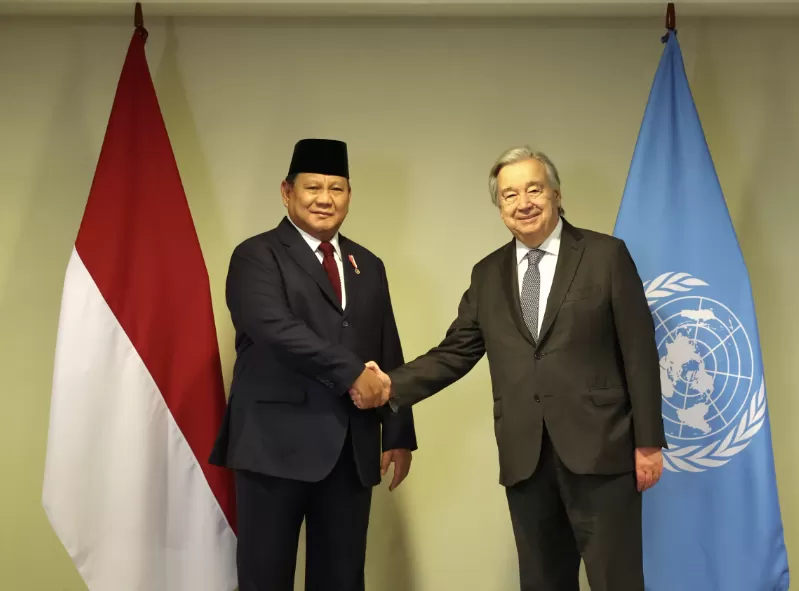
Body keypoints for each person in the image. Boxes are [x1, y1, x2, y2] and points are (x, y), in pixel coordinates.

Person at [353, 146, 665, 591]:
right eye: (509, 194)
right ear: (499, 206)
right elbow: (455, 352)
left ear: (556, 194)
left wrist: (649, 442)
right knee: (541, 581)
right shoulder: (487, 274)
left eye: (533, 189)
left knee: (617, 580)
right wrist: (389, 384)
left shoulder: (605, 255)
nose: (523, 203)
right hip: (526, 457)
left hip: (603, 451)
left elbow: (639, 351)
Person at [210, 138, 417, 591]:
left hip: (350, 449)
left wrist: (398, 431)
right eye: (313, 187)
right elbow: (275, 329)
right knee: (266, 579)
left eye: (337, 188)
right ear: (287, 192)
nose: (325, 199)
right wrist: (351, 374)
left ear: (348, 195)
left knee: (343, 580)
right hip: (272, 447)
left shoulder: (369, 264)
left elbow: (387, 346)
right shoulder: (256, 255)